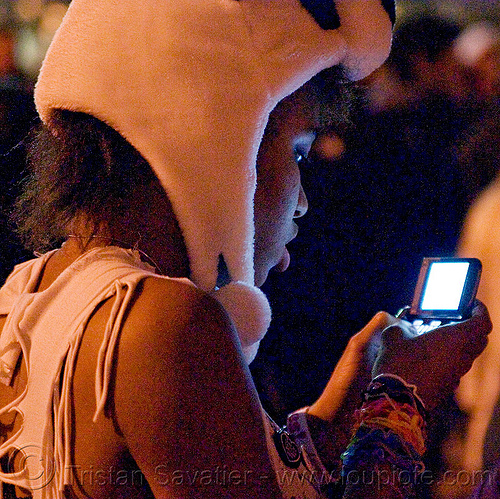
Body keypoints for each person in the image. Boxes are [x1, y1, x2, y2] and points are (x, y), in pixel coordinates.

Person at [0, 1, 491, 498]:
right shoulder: (169, 323)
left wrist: (336, 417)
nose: (302, 201)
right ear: (221, 138)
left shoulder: (22, 294)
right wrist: (398, 408)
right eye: (297, 150)